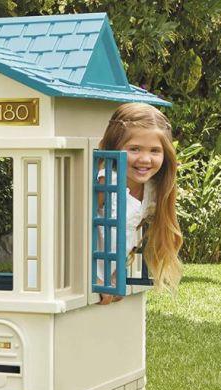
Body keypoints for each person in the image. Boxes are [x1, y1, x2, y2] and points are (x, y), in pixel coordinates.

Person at [95, 102, 183, 305]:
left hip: (107, 280)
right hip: (78, 276)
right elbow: (75, 235)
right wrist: (93, 278)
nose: (145, 159)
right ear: (114, 147)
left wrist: (116, 274)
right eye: (134, 149)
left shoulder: (153, 190)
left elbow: (126, 236)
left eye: (154, 151)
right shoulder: (107, 182)